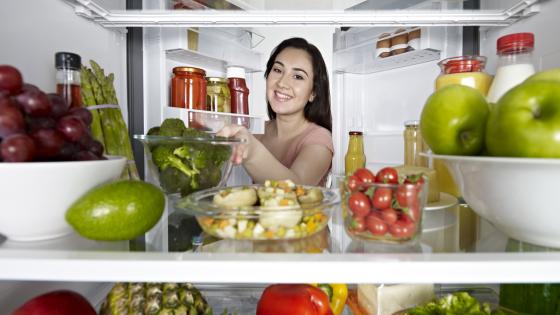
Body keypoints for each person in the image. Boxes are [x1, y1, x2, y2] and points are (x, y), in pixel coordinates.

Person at [218, 37, 333, 186]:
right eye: (278, 70)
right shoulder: (256, 131)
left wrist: (252, 151)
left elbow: (297, 187)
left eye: (298, 76)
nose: (282, 83)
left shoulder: (320, 139)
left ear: (313, 93)